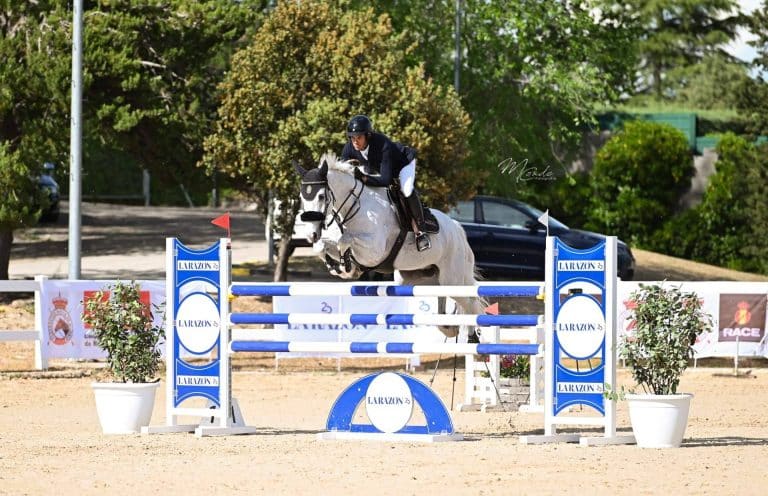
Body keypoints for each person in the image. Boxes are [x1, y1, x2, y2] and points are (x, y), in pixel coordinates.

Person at [340, 114, 435, 251]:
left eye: (359, 137)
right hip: (379, 168)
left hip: (403, 164)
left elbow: (386, 180)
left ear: (368, 135)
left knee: (406, 189)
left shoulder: (383, 145)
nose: (355, 142)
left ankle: (421, 231)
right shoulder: (349, 147)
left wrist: (363, 178)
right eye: (352, 137)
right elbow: (342, 169)